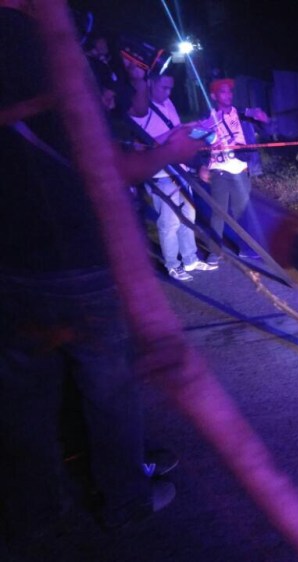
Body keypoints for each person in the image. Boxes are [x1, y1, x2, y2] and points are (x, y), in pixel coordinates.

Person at [0, 1, 204, 552]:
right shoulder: (42, 48)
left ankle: (37, 515)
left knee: (29, 397)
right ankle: (125, 498)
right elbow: (101, 166)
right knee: (108, 387)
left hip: (15, 259)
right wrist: (171, 151)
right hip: (77, 256)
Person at [128, 66, 217, 281]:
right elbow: (153, 142)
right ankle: (172, 264)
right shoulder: (141, 108)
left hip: (180, 169)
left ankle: (190, 258)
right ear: (150, 83)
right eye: (164, 87)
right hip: (160, 173)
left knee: (188, 216)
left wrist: (196, 131)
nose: (167, 93)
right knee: (169, 222)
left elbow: (178, 133)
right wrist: (180, 129)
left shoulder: (168, 103)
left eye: (170, 88)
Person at [200, 77, 269, 264]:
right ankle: (215, 251)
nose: (228, 95)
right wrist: (202, 165)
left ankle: (245, 248)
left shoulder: (242, 114)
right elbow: (198, 142)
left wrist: (263, 119)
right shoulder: (207, 117)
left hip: (240, 168)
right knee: (218, 213)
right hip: (219, 170)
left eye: (230, 91)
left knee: (242, 211)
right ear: (214, 96)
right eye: (223, 91)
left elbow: (264, 128)